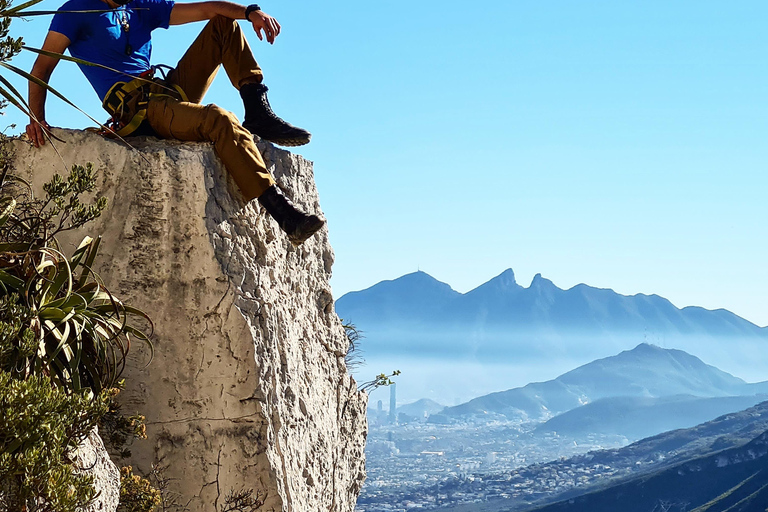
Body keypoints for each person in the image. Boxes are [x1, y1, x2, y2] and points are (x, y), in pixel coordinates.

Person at [26, 0, 324, 246]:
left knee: (224, 24)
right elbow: (42, 67)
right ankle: (285, 215)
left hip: (166, 91)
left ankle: (258, 111)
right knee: (219, 119)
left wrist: (251, 12)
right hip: (139, 110)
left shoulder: (141, 6)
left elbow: (208, 9)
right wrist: (37, 118)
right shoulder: (76, 10)